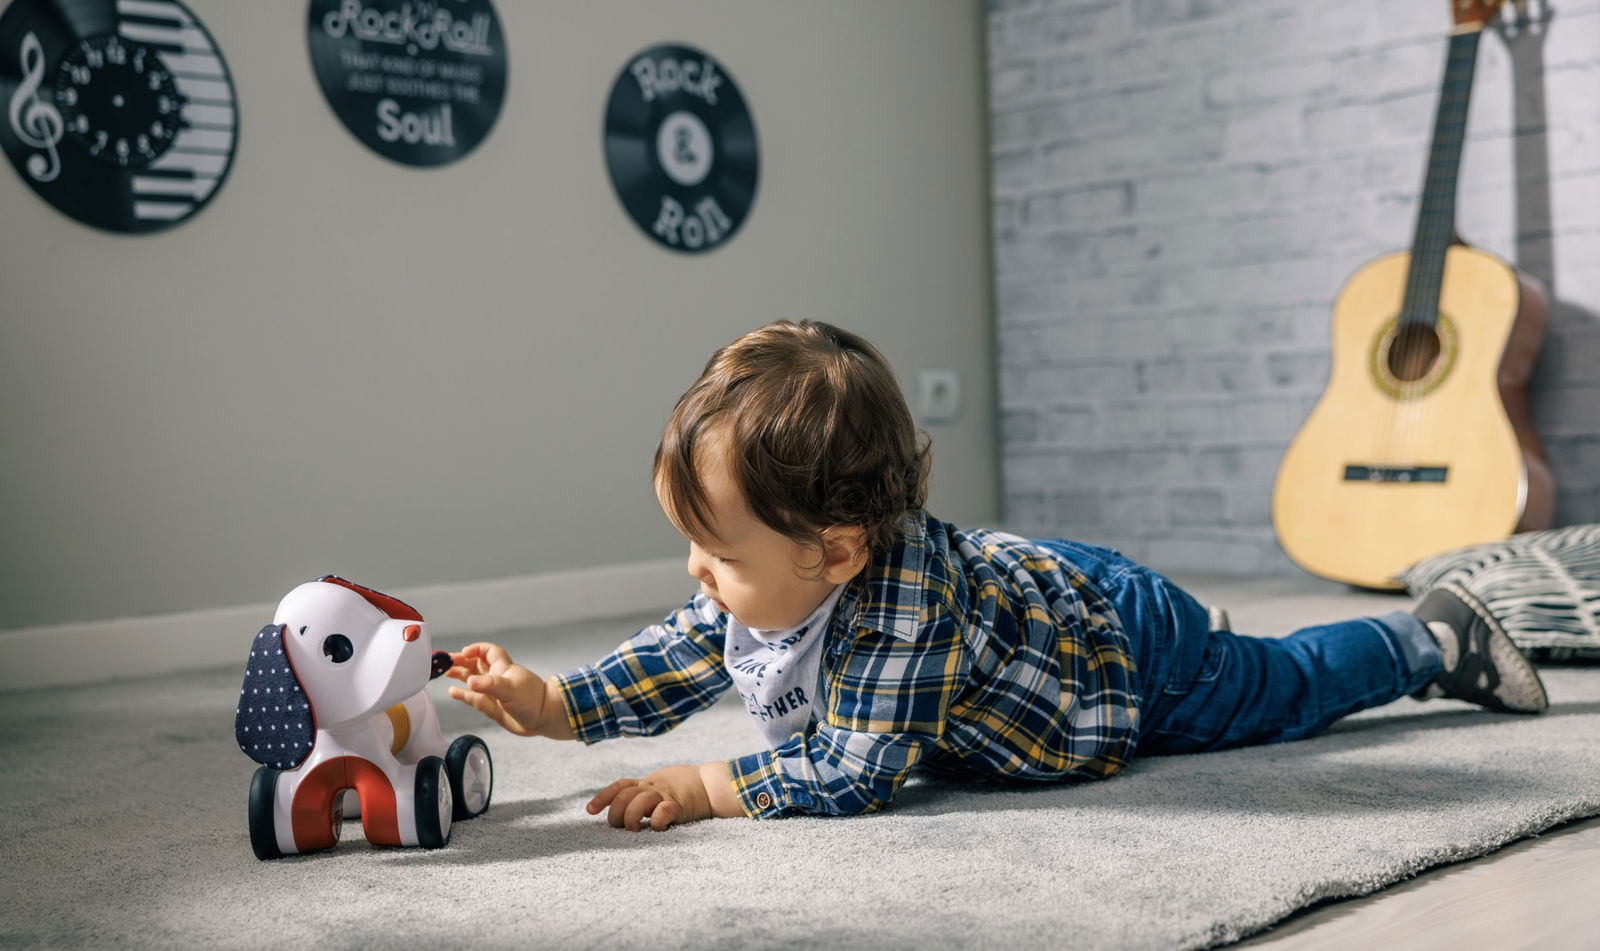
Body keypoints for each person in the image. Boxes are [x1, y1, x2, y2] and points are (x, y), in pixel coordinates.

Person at [445, 320, 1548, 831]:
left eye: (719, 555)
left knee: (1275, 689)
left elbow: (852, 772)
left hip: (1122, 657)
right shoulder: (777, 572)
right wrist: (554, 705)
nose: (699, 575)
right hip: (1039, 595)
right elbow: (685, 650)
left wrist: (704, 785)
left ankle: (1429, 636)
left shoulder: (905, 615)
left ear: (836, 551)